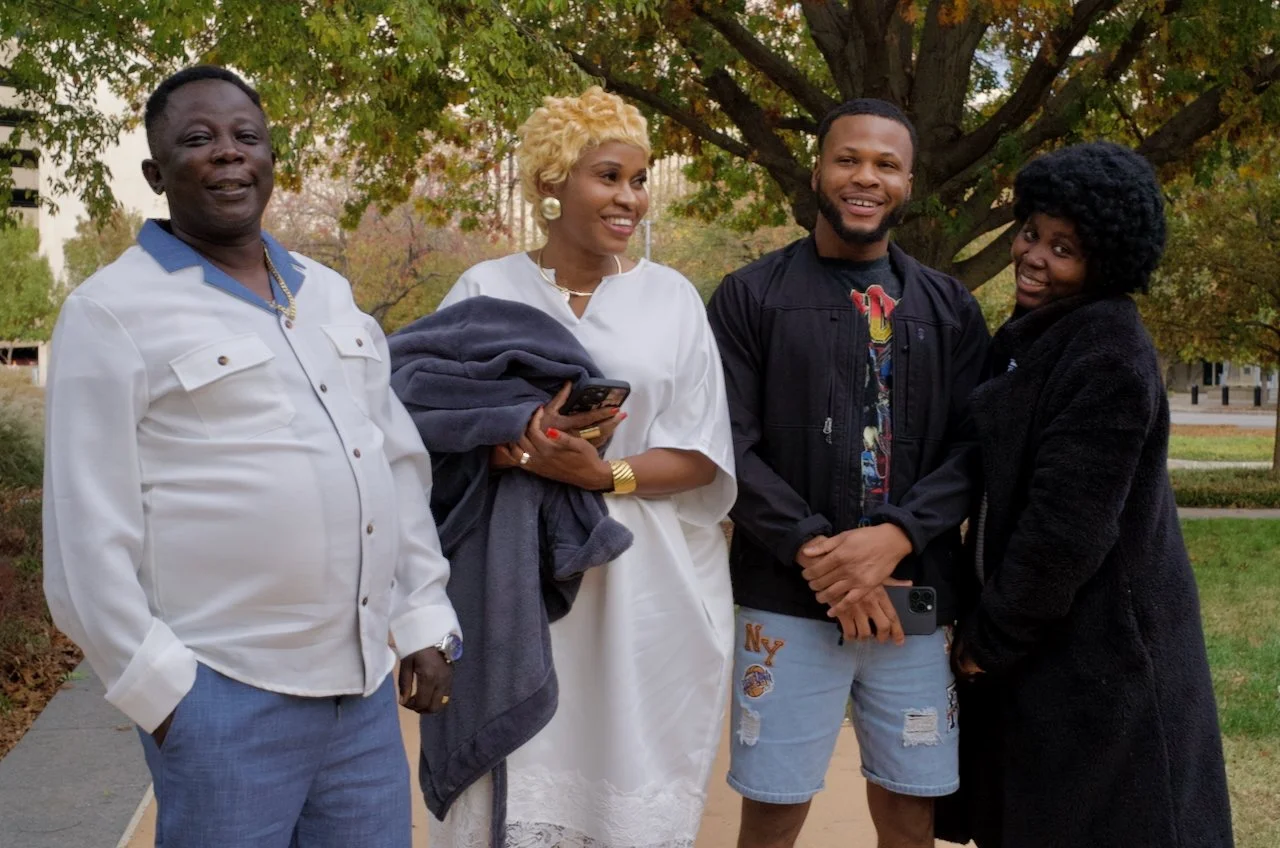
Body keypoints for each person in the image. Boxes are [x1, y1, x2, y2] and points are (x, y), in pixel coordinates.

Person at [41, 66, 462, 848]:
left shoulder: (329, 295)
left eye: (247, 137)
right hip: (222, 698)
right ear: (156, 173)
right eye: (198, 140)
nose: (229, 155)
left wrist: (423, 617)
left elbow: (395, 466)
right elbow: (84, 536)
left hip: (363, 693)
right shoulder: (111, 311)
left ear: (272, 157)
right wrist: (168, 701)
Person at [425, 86, 737, 848]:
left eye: (638, 179)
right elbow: (429, 424)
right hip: (511, 580)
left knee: (624, 790)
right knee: (522, 782)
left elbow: (703, 453)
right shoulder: (485, 289)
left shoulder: (670, 299)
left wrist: (606, 477)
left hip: (645, 587)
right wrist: (518, 441)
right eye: (608, 176)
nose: (630, 198)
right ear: (551, 184)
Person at [707, 99, 989, 848]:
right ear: (818, 170)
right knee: (772, 805)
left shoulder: (950, 308)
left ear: (908, 182)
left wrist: (894, 538)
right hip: (784, 595)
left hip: (914, 596)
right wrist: (819, 554)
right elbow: (728, 444)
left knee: (911, 804)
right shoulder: (749, 297)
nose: (866, 177)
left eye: (886, 165)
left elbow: (974, 448)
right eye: (848, 159)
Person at [940, 142, 1233, 847]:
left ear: (1106, 262)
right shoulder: (1036, 334)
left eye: (1063, 248)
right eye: (1032, 233)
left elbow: (1064, 531)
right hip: (1053, 658)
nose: (1033, 256)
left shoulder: (1107, 354)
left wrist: (989, 641)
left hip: (1106, 660)